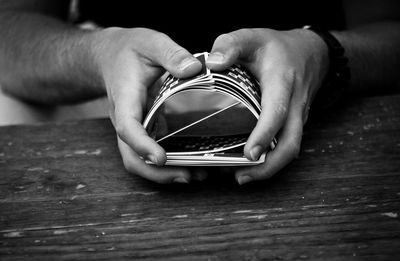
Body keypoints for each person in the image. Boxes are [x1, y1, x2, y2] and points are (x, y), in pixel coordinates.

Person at [0, 0, 399, 184]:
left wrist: (323, 53)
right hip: (104, 94)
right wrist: (99, 52)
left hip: (324, 100)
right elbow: (11, 27)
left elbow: (388, 30)